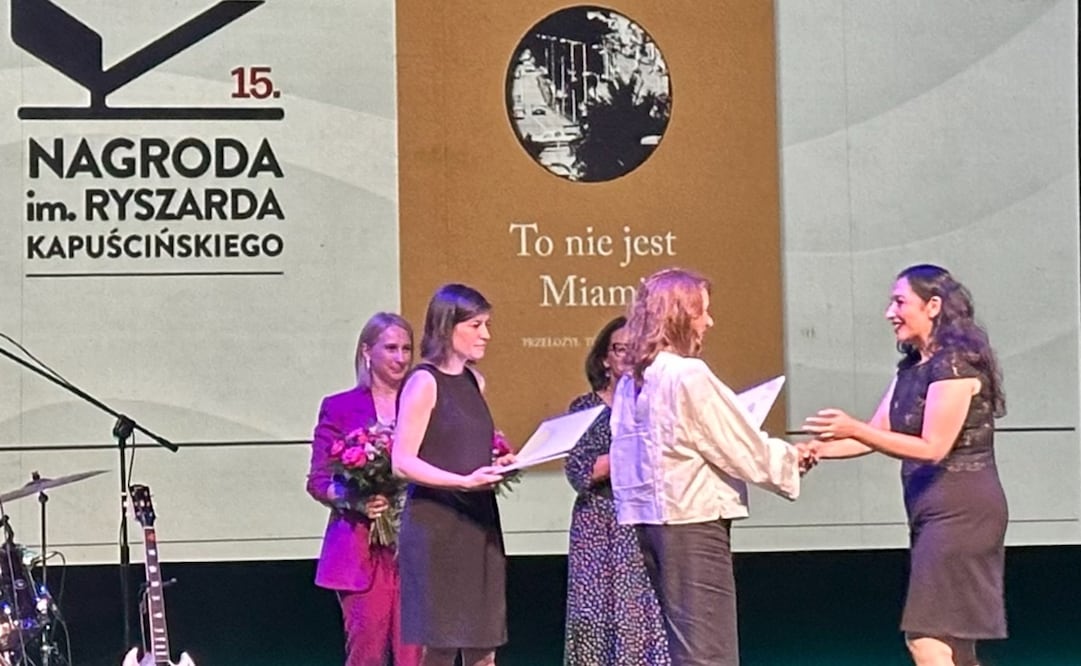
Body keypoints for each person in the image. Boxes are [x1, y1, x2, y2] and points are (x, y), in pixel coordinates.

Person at [804, 264, 1008, 666]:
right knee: (957, 644)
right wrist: (813, 451)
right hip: (933, 510)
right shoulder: (913, 367)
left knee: (926, 639)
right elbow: (878, 431)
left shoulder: (953, 365)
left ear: (933, 306)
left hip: (962, 509)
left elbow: (933, 447)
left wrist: (853, 429)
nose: (889, 313)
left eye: (900, 302)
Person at [608, 267, 813, 666]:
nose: (709, 322)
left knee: (688, 648)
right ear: (681, 316)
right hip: (692, 522)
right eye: (702, 312)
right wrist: (791, 458)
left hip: (654, 524)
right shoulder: (686, 374)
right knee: (708, 651)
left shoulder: (636, 378)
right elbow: (736, 444)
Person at [392, 284, 513, 666]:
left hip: (478, 523)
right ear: (448, 326)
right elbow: (402, 461)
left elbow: (465, 443)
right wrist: (461, 481)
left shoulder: (475, 382)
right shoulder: (423, 382)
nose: (486, 335)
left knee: (484, 644)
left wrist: (499, 464)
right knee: (441, 644)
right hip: (437, 526)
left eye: (486, 324)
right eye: (476, 325)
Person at [307, 312, 423, 666]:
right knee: (367, 655)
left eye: (406, 349)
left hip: (415, 548)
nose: (401, 357)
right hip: (361, 552)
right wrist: (354, 500)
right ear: (366, 351)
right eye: (391, 348)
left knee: (415, 657)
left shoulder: (423, 403)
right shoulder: (340, 407)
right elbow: (318, 480)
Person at [563, 316, 670, 666]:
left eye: (634, 348)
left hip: (643, 520)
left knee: (641, 616)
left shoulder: (654, 405)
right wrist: (628, 451)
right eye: (618, 348)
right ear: (604, 358)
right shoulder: (584, 409)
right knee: (594, 618)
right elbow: (579, 471)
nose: (626, 355)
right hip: (598, 525)